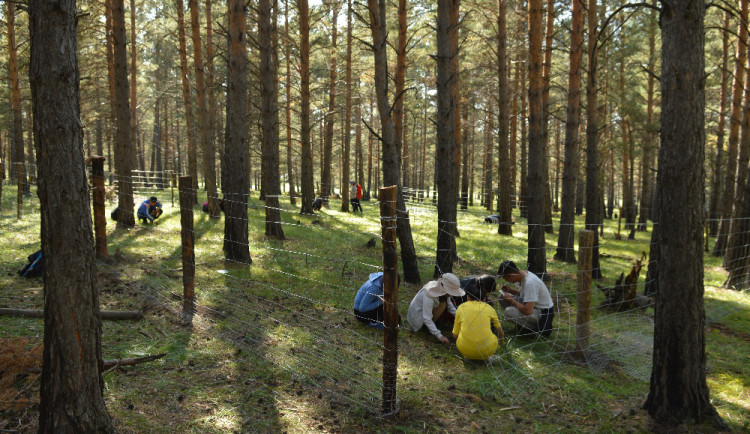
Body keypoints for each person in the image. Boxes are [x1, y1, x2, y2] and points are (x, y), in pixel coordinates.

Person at [497, 260, 554, 337]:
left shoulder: (530, 283)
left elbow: (527, 310)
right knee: (502, 298)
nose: (506, 281)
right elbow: (527, 295)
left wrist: (512, 300)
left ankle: (533, 329)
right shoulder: (521, 275)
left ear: (512, 275)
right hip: (533, 306)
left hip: (543, 314)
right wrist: (511, 291)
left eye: (506, 278)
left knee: (509, 312)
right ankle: (523, 325)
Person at [452, 280, 504, 360]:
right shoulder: (489, 308)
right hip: (487, 351)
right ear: (484, 299)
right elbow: (500, 331)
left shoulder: (461, 307)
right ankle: (487, 357)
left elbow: (455, 335)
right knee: (493, 337)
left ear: (468, 297)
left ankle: (469, 355)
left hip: (464, 350)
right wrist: (502, 343)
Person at [407, 273, 464, 344]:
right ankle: (426, 329)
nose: (452, 294)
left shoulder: (443, 294)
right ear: (444, 289)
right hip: (417, 318)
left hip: (425, 315)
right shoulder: (429, 297)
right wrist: (439, 335)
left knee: (444, 304)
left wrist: (462, 318)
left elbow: (450, 307)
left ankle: (433, 326)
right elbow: (427, 318)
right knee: (443, 305)